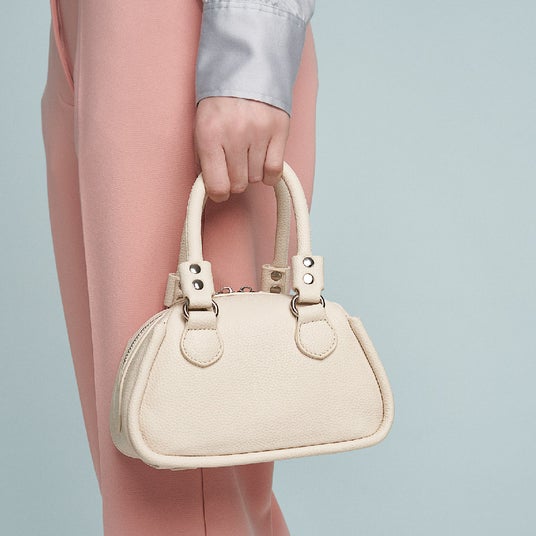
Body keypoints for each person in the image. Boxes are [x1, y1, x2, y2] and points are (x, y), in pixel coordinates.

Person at [40, 0, 318, 534]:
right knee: (140, 474)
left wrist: (249, 47)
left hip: (185, 33)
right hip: (84, 28)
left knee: (181, 490)